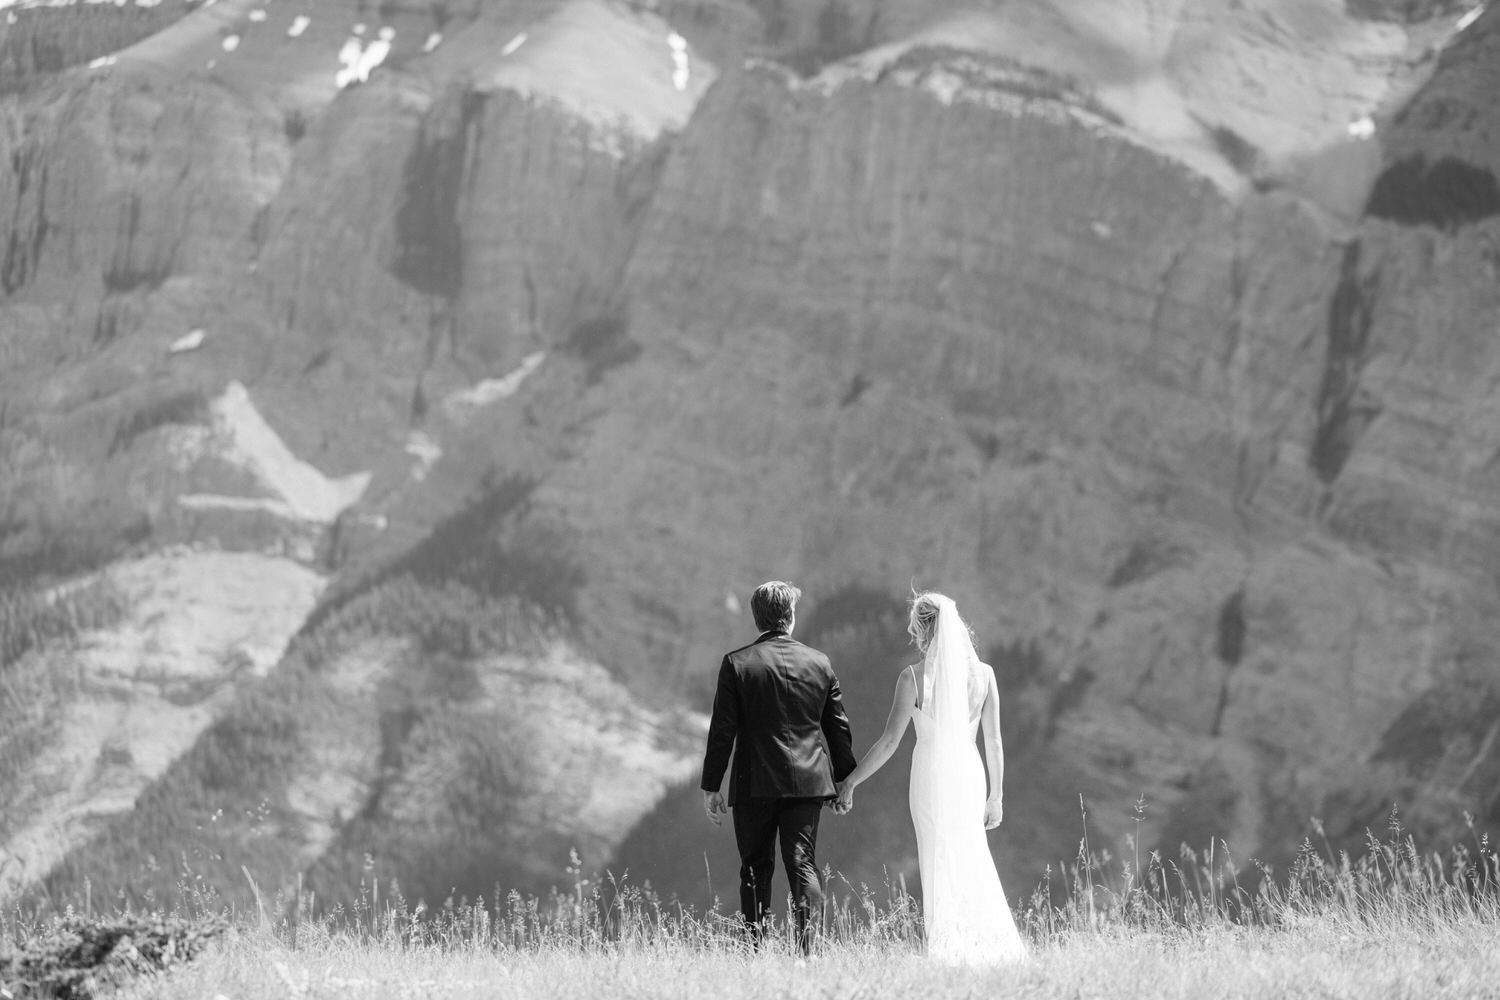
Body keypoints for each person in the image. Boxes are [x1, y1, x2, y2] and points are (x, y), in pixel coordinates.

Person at [835, 592, 1026, 965]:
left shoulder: (912, 678)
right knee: (972, 854)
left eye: (915, 629)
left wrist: (851, 782)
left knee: (938, 859)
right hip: (972, 776)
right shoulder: (985, 675)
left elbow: (890, 741)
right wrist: (997, 796)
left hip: (932, 776)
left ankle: (949, 952)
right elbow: (994, 740)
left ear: (924, 629)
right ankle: (989, 948)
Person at [701, 581, 857, 954]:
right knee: (802, 861)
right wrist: (844, 781)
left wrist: (711, 785)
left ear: (757, 618)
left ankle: (753, 952)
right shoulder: (820, 663)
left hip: (753, 782)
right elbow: (838, 729)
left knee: (755, 867)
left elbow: (723, 731)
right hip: (808, 782)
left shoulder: (737, 664)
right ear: (790, 616)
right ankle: (808, 954)